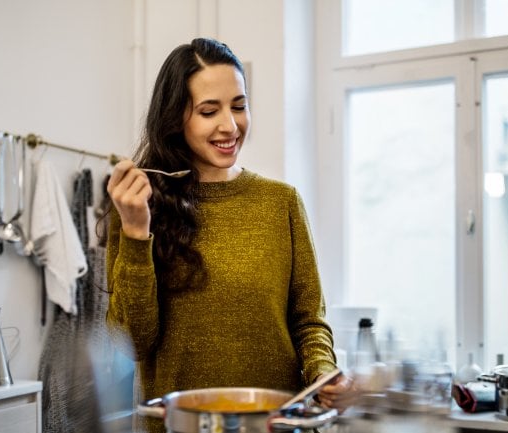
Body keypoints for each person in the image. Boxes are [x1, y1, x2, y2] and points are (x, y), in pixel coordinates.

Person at [105, 37, 356, 432]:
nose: (230, 125)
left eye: (239, 106)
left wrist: (324, 375)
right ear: (175, 119)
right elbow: (133, 343)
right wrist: (137, 232)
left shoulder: (281, 202)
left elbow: (309, 321)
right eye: (209, 111)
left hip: (278, 426)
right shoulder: (140, 207)